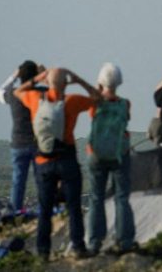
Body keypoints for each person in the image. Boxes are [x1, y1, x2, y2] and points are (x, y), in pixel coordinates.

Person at [14, 67, 101, 261]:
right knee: (73, 206)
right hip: (67, 160)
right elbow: (97, 98)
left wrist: (38, 78)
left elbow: (16, 92)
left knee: (45, 209)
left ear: (47, 83)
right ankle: (78, 247)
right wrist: (79, 79)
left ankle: (43, 251)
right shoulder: (71, 101)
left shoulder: (36, 99)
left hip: (43, 162)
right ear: (65, 83)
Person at [85, 63, 135, 255]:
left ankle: (95, 241)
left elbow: (93, 114)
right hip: (119, 153)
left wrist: (97, 89)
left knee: (96, 198)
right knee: (122, 197)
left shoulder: (94, 103)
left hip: (96, 153)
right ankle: (125, 240)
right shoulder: (125, 103)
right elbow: (126, 118)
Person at [0, 60, 43, 214]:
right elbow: (57, 90)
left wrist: (14, 75)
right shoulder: (40, 94)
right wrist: (44, 74)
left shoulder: (13, 94)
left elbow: (0, 92)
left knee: (18, 181)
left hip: (18, 143)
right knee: (41, 180)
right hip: (38, 143)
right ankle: (44, 210)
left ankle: (15, 212)